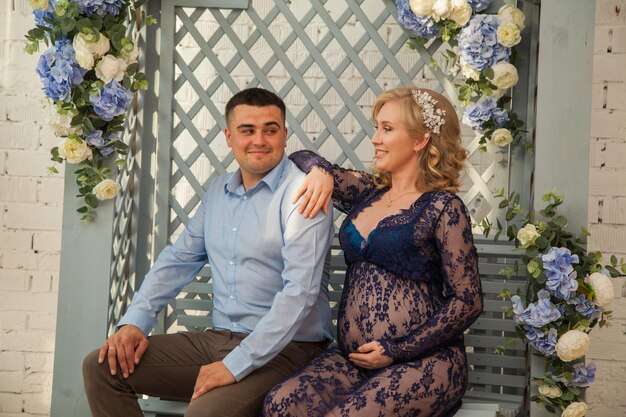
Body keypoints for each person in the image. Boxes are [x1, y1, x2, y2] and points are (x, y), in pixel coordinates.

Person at [82, 87, 335, 417]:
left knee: (205, 413)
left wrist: (235, 365)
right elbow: (178, 259)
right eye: (247, 130)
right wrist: (134, 323)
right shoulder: (219, 191)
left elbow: (299, 295)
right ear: (229, 137)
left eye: (270, 130)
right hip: (218, 340)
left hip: (287, 349)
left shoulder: (304, 194)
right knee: (102, 367)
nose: (259, 140)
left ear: (285, 135)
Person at [263, 87, 484, 417]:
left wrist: (396, 349)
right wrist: (321, 171)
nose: (375, 138)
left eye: (387, 128)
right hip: (353, 361)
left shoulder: (443, 208)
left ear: (421, 140)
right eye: (377, 127)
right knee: (279, 405)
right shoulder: (368, 192)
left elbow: (468, 300)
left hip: (423, 363)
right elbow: (298, 158)